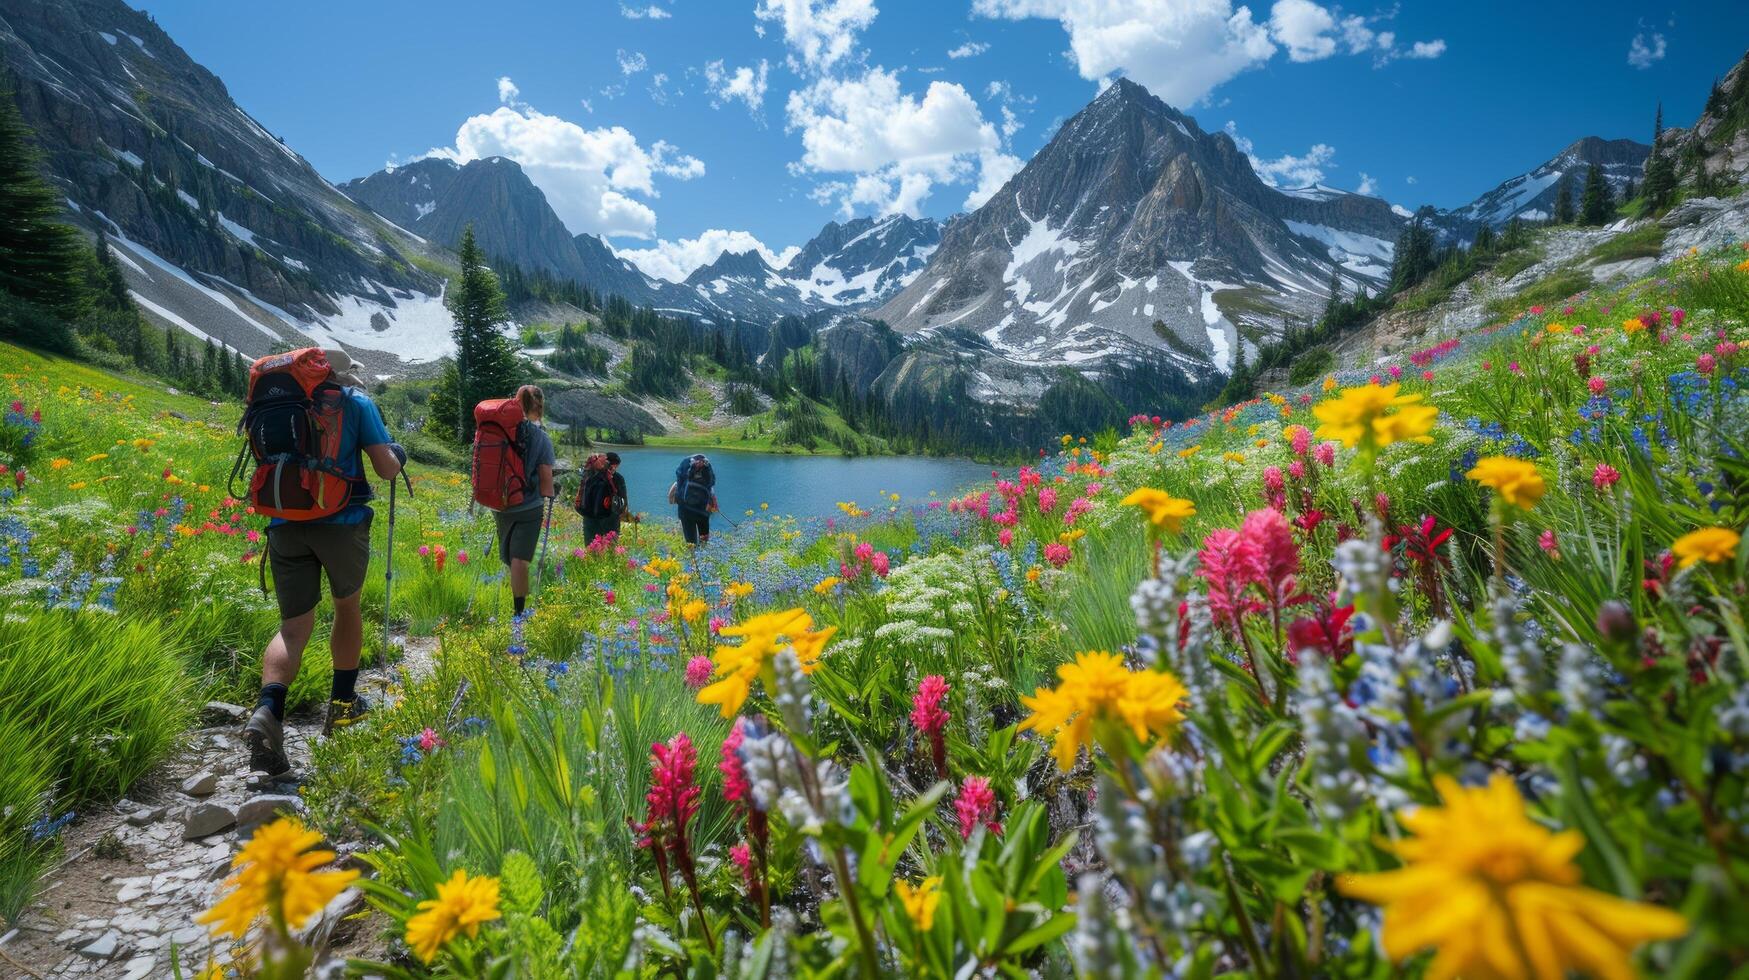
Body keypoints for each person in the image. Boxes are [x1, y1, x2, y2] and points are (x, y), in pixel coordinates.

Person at [243, 350, 405, 778]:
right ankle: (344, 705)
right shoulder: (353, 401)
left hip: (283, 521)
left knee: (293, 626)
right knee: (346, 607)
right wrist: (398, 455)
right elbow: (386, 470)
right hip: (341, 521)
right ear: (337, 373)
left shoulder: (274, 403)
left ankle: (268, 710)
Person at [494, 385, 556, 618]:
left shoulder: (498, 430)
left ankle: (516, 598)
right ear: (538, 408)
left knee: (510, 556)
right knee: (520, 559)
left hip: (499, 504)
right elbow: (545, 481)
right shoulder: (540, 438)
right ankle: (519, 613)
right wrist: (550, 495)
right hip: (528, 505)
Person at [668, 452, 717, 546]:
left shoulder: (684, 464)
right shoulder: (707, 467)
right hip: (703, 510)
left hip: (685, 510)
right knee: (704, 541)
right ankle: (705, 556)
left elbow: (679, 481)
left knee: (691, 543)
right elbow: (711, 483)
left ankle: (692, 558)